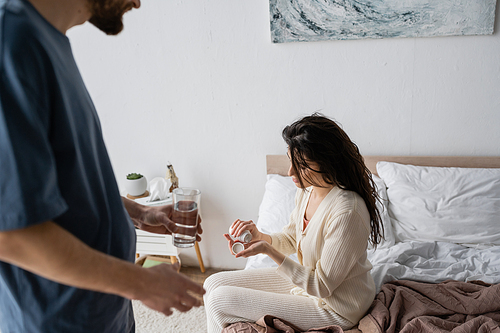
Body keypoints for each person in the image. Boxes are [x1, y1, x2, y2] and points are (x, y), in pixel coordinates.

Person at [0, 0, 205, 332]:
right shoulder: (10, 40)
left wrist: (139, 214)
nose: (137, 2)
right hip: (57, 322)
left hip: (105, 313)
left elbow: (66, 184)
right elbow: (11, 233)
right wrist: (142, 283)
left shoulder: (48, 39)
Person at [204, 113, 384, 332]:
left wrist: (269, 252)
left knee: (219, 300)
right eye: (291, 161)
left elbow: (321, 286)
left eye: (302, 165)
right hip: (306, 281)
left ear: (328, 163)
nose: (290, 172)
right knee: (211, 284)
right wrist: (261, 237)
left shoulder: (348, 212)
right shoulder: (308, 190)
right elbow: (291, 238)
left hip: (336, 306)